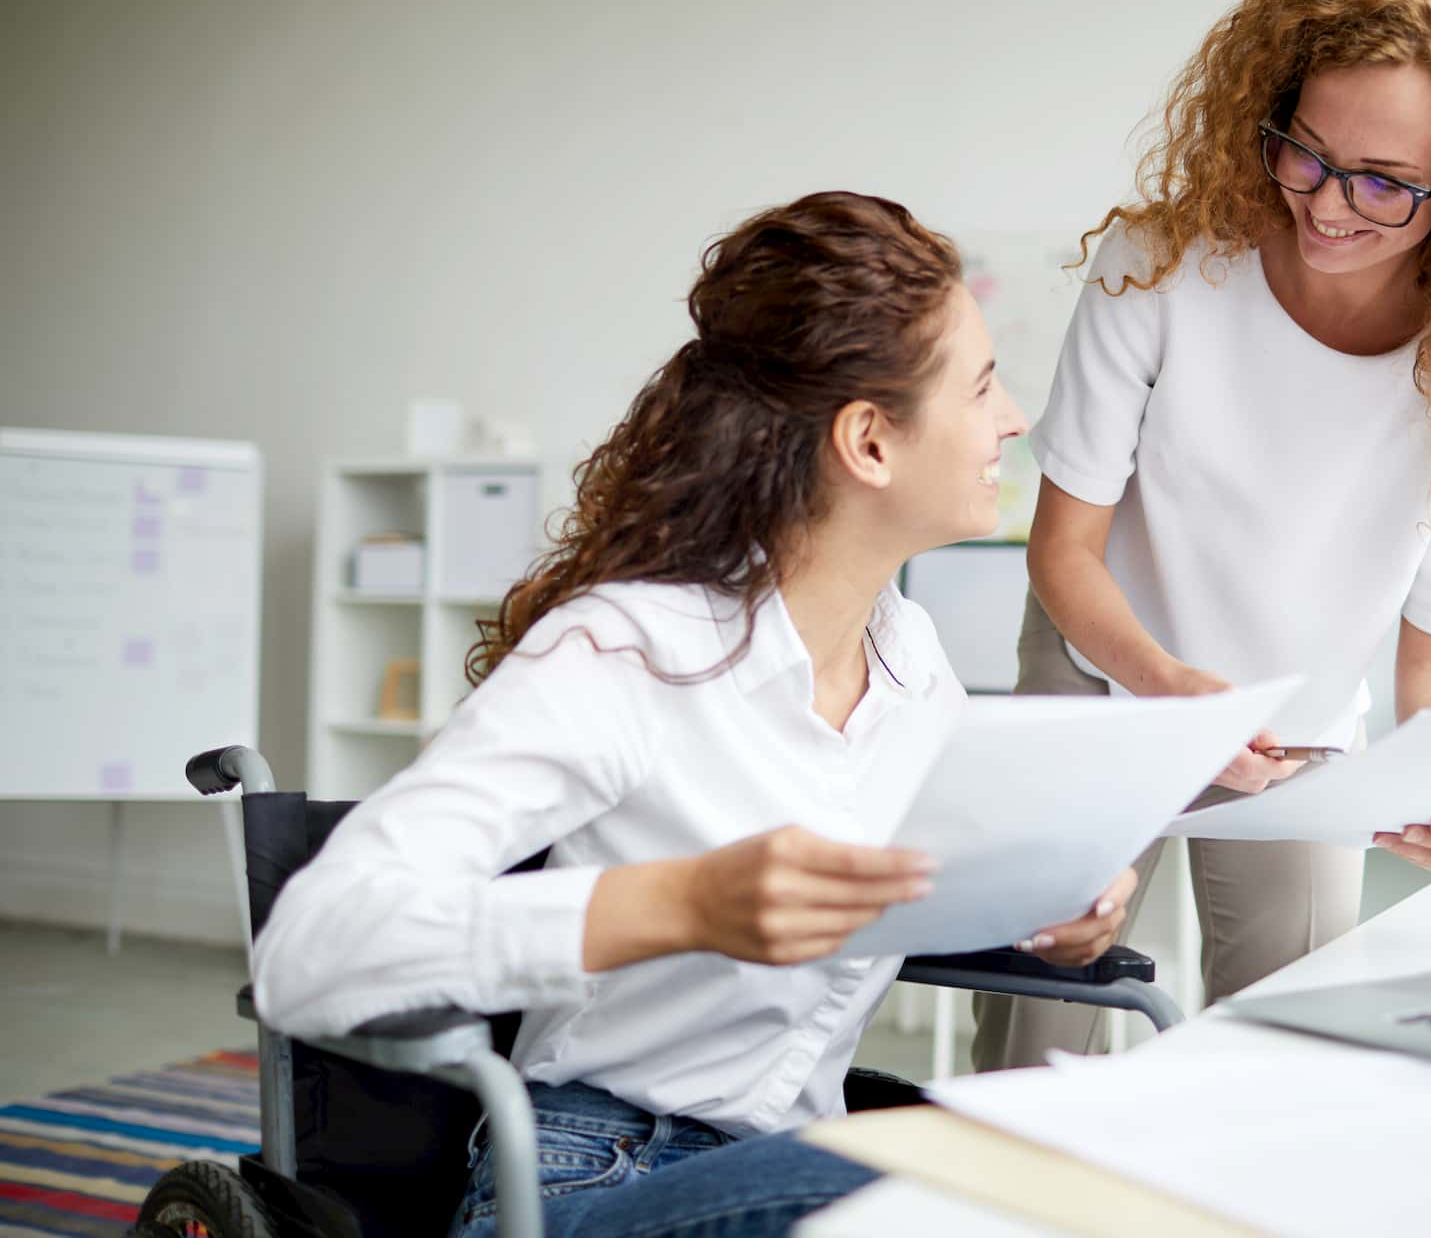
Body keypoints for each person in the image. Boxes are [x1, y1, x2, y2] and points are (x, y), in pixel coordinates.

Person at [251, 191, 1138, 1237]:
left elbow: (920, 884)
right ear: (869, 440)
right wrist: (677, 903)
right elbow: (311, 950)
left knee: (1090, 1155)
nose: (1013, 417)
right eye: (983, 384)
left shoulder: (912, 667)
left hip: (790, 1162)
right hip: (595, 1173)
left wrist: (1057, 905)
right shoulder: (628, 649)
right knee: (959, 1189)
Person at [973, 0, 1431, 1071]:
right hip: (1100, 659)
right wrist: (1173, 689)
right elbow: (1062, 552)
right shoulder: (1160, 266)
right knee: (1042, 1011)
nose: (1323, 200)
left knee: (1287, 1030)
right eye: (1304, 150)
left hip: (1298, 724)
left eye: (1381, 180)